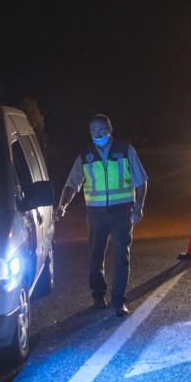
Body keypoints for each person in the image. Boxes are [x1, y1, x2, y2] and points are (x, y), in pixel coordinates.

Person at [57, 114, 148, 317]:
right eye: (93, 131)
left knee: (121, 257)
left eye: (101, 130)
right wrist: (63, 204)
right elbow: (72, 184)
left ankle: (118, 301)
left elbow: (141, 181)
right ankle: (98, 295)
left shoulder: (125, 149)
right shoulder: (85, 154)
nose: (97, 134)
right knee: (96, 256)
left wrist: (138, 207)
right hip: (96, 214)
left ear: (109, 129)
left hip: (121, 212)